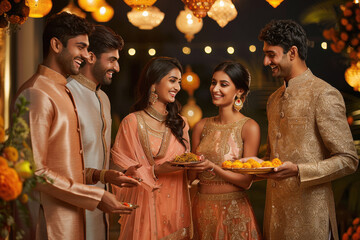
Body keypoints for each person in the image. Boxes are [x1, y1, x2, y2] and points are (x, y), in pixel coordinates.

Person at [15, 12, 133, 240]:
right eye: (80, 47)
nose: (85, 55)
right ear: (56, 45)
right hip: (50, 222)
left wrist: (103, 175)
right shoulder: (36, 92)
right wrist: (95, 197)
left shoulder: (62, 91)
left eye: (87, 48)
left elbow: (66, 166)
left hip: (76, 217)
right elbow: (33, 172)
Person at [258, 19, 359, 240]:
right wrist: (253, 167)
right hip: (275, 218)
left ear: (292, 52)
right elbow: (272, 158)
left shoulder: (323, 94)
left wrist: (299, 170)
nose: (266, 61)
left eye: (271, 54)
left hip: (311, 221)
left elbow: (348, 159)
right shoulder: (274, 99)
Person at [66, 25, 140, 240]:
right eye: (111, 60)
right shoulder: (67, 93)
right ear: (90, 56)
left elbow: (98, 153)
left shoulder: (104, 98)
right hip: (72, 203)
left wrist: (120, 172)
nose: (116, 67)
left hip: (102, 205)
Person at [111, 56, 193, 240]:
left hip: (176, 209)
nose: (178, 87)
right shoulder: (132, 122)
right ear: (153, 85)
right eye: (172, 80)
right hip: (145, 210)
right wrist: (154, 170)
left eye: (179, 82)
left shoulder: (181, 124)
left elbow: (188, 163)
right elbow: (120, 170)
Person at [190, 61, 262, 240]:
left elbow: (246, 181)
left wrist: (212, 167)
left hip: (234, 212)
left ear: (239, 91)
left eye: (223, 84)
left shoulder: (249, 127)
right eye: (214, 82)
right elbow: (191, 178)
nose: (215, 89)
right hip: (200, 209)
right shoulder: (201, 126)